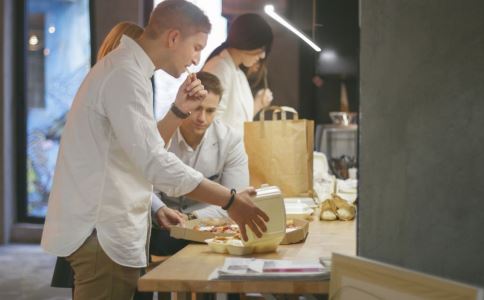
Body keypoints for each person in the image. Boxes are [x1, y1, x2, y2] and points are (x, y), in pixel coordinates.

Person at [41, 1, 269, 300]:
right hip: (103, 233)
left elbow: (136, 150)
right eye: (197, 47)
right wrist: (229, 201)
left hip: (108, 231)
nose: (196, 59)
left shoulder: (129, 70)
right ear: (173, 38)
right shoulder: (124, 74)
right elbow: (154, 162)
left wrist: (177, 111)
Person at [150, 71, 249, 255]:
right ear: (185, 103)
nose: (202, 118)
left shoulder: (230, 140)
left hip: (211, 231)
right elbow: (146, 189)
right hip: (160, 230)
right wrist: (161, 210)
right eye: (196, 108)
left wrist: (191, 218)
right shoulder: (160, 133)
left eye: (210, 111)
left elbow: (238, 198)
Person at [203, 13, 274, 135]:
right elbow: (210, 122)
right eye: (261, 49)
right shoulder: (221, 68)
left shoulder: (238, 72)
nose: (262, 55)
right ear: (248, 42)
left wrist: (258, 104)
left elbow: (238, 121)